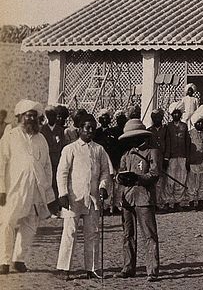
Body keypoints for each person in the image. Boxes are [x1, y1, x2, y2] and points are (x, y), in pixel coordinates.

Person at [0, 100, 56, 274]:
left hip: (36, 189)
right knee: (8, 222)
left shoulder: (41, 139)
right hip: (14, 188)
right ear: (20, 117)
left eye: (34, 115)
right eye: (28, 115)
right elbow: (2, 162)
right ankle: (4, 261)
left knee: (30, 224)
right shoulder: (11, 135)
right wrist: (1, 188)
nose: (31, 118)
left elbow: (47, 166)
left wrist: (49, 193)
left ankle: (19, 259)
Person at [55, 113, 112, 280]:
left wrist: (103, 187)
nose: (90, 131)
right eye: (87, 128)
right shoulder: (70, 149)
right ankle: (63, 268)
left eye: (93, 128)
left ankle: (92, 268)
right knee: (69, 232)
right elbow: (62, 173)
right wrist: (63, 193)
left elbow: (104, 172)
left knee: (93, 233)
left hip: (92, 198)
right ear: (79, 129)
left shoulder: (99, 149)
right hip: (73, 198)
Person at [116, 119, 161, 280]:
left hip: (144, 198)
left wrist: (137, 178)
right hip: (127, 198)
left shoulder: (152, 151)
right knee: (128, 234)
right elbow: (120, 172)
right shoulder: (127, 154)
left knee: (149, 235)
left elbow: (155, 174)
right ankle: (128, 267)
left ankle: (152, 270)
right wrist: (121, 179)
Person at [161, 108, 190, 212]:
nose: (176, 115)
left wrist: (188, 158)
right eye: (174, 113)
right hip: (171, 157)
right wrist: (166, 157)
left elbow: (187, 142)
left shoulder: (184, 126)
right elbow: (166, 142)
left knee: (180, 179)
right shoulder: (168, 126)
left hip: (182, 156)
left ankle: (178, 202)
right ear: (172, 114)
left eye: (178, 113)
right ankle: (167, 202)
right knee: (170, 180)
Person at [188, 118, 203, 210]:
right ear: (194, 124)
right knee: (192, 182)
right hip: (193, 161)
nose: (200, 124)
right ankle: (191, 201)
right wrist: (188, 161)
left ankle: (201, 200)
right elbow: (187, 148)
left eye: (201, 123)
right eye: (198, 122)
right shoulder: (190, 133)